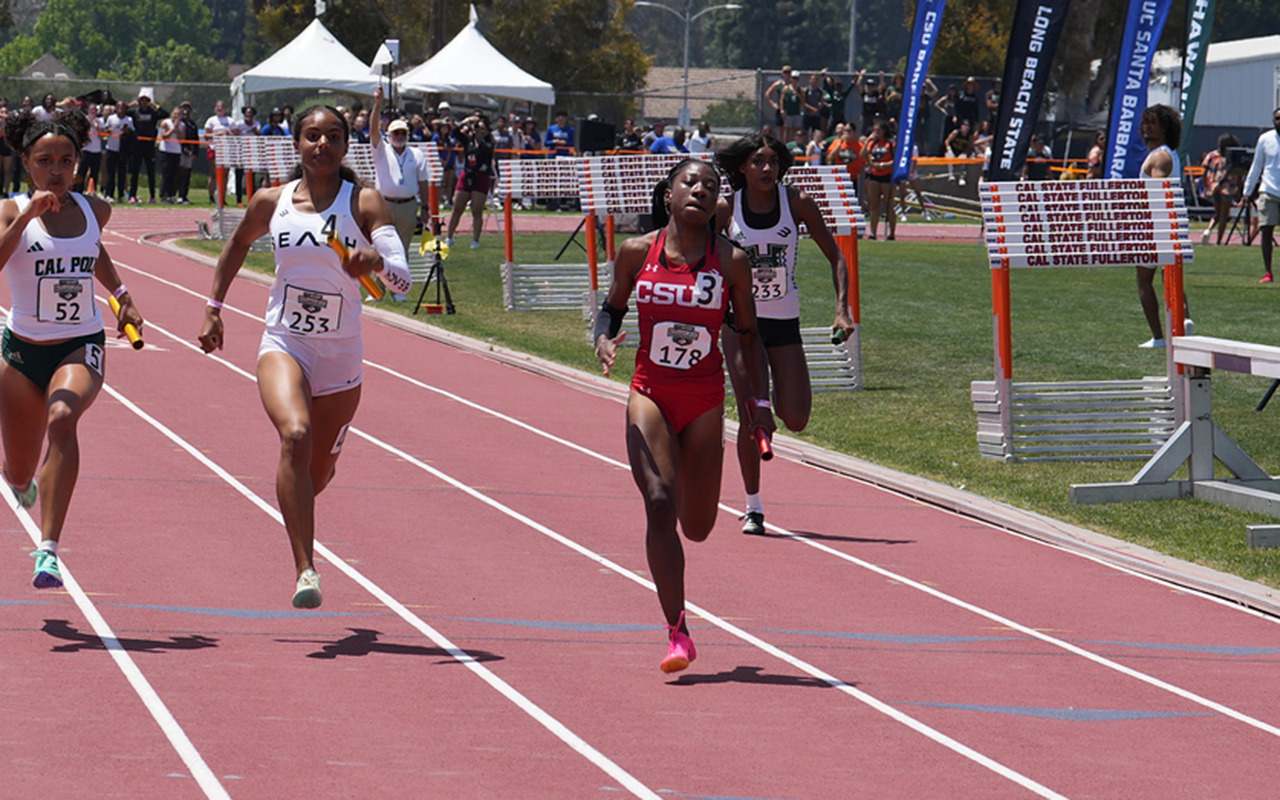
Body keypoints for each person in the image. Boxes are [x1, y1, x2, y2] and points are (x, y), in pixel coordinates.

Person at [198, 105, 412, 608]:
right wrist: (213, 309)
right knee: (294, 435)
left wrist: (376, 260)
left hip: (341, 357)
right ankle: (306, 570)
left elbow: (402, 281)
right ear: (297, 143)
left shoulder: (365, 202)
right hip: (284, 343)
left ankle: (306, 491)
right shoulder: (271, 201)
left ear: (346, 146)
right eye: (312, 135)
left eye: (333, 136)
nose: (322, 144)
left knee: (315, 477)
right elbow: (236, 245)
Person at [593, 158, 771, 673]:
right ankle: (677, 632)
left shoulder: (731, 262)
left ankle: (679, 615)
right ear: (668, 194)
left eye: (710, 186)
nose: (700, 191)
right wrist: (603, 339)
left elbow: (747, 336)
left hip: (704, 399)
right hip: (650, 391)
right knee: (658, 502)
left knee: (697, 526)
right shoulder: (636, 252)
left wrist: (758, 403)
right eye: (689, 183)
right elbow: (612, 308)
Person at [0, 107, 144, 588]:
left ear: (78, 163)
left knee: (63, 417)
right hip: (22, 353)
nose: (57, 170)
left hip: (81, 343)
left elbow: (92, 249)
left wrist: (122, 295)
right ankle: (22, 481)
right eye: (45, 161)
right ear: (26, 163)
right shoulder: (9, 211)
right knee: (19, 470)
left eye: (66, 160)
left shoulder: (94, 209)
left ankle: (48, 550)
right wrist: (28, 217)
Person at [715, 133, 854, 535]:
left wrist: (841, 309)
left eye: (773, 162)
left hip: (784, 320)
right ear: (742, 167)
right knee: (751, 415)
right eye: (758, 161)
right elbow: (700, 256)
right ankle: (753, 507)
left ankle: (767, 393)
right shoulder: (727, 208)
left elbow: (836, 256)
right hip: (741, 326)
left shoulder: (797, 203)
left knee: (795, 417)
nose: (766, 168)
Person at [1136, 104, 1189, 348]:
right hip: (1167, 225)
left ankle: (1158, 337)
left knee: (1145, 280)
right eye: (1144, 123)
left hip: (1156, 225)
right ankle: (1184, 322)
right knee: (1172, 278)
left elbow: (1159, 190)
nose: (1146, 128)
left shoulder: (1159, 157)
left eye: (1153, 123)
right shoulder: (1169, 154)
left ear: (1165, 128)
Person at [369, 86, 431, 287]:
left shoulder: (417, 154)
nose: (399, 136)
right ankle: (378, 290)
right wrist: (378, 104)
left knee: (402, 249)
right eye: (396, 133)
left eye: (403, 132)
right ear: (388, 135)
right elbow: (373, 130)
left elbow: (423, 182)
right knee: (381, 247)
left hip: (408, 205)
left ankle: (399, 289)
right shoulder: (381, 150)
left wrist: (425, 207)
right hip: (384, 204)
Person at [446, 113, 495, 250]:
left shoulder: (489, 142)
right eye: (478, 128)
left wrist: (480, 136)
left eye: (483, 128)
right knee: (457, 208)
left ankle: (475, 240)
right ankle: (449, 237)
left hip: (481, 177)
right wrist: (466, 121)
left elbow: (486, 150)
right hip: (467, 175)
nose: (479, 131)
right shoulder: (468, 141)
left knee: (477, 210)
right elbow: (455, 132)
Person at [1242, 108, 1280, 283]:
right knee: (1266, 230)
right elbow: (1256, 166)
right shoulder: (1265, 139)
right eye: (1278, 118)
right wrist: (1247, 191)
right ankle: (1268, 272)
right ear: (1273, 120)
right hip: (1268, 191)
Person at [1199, 133, 1240, 247]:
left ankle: (1208, 229)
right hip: (1227, 188)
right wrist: (1239, 190)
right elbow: (1238, 175)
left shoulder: (1212, 155)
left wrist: (1205, 187)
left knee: (1217, 214)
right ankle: (1219, 241)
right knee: (1224, 216)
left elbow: (1204, 172)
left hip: (1213, 187)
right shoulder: (1232, 156)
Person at [127, 92, 163, 203]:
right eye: (142, 100)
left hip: (149, 145)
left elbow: (165, 113)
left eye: (146, 100)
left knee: (151, 172)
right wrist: (130, 105)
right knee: (135, 171)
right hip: (137, 145)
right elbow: (122, 111)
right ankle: (132, 195)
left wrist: (156, 106)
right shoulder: (135, 112)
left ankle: (152, 196)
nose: (144, 103)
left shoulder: (153, 113)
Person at [863, 121, 896, 240]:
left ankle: (891, 233)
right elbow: (863, 155)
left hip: (887, 175)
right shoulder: (873, 143)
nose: (876, 133)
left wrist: (883, 165)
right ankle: (873, 232)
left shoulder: (890, 143)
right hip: (874, 175)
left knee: (889, 205)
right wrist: (867, 141)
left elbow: (895, 160)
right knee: (873, 205)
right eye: (874, 130)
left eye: (878, 130)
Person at [103, 100, 133, 202]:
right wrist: (108, 131)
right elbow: (106, 129)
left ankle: (120, 195)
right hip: (111, 147)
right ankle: (109, 194)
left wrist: (126, 130)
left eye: (122, 108)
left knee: (122, 173)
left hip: (122, 149)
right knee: (110, 173)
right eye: (118, 107)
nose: (120, 110)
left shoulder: (128, 119)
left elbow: (132, 131)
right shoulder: (111, 118)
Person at [157, 107, 183, 203]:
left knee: (174, 174)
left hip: (176, 151)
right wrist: (173, 129)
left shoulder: (182, 125)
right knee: (166, 174)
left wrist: (177, 128)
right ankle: (164, 194)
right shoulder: (165, 122)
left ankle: (172, 195)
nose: (176, 116)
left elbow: (181, 138)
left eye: (178, 114)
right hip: (166, 151)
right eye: (175, 114)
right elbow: (164, 136)